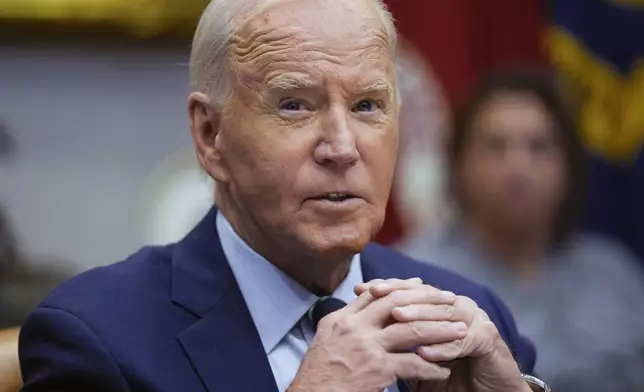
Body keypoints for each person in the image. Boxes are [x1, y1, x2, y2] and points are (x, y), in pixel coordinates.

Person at [18, 1, 544, 391]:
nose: (341, 147)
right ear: (209, 135)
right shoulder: (97, 340)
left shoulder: (466, 311)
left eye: (367, 105)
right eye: (294, 105)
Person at [400, 70, 644, 391]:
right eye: (496, 147)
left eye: (539, 147)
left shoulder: (616, 273)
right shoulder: (412, 277)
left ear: (569, 165)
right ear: (459, 163)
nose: (518, 170)